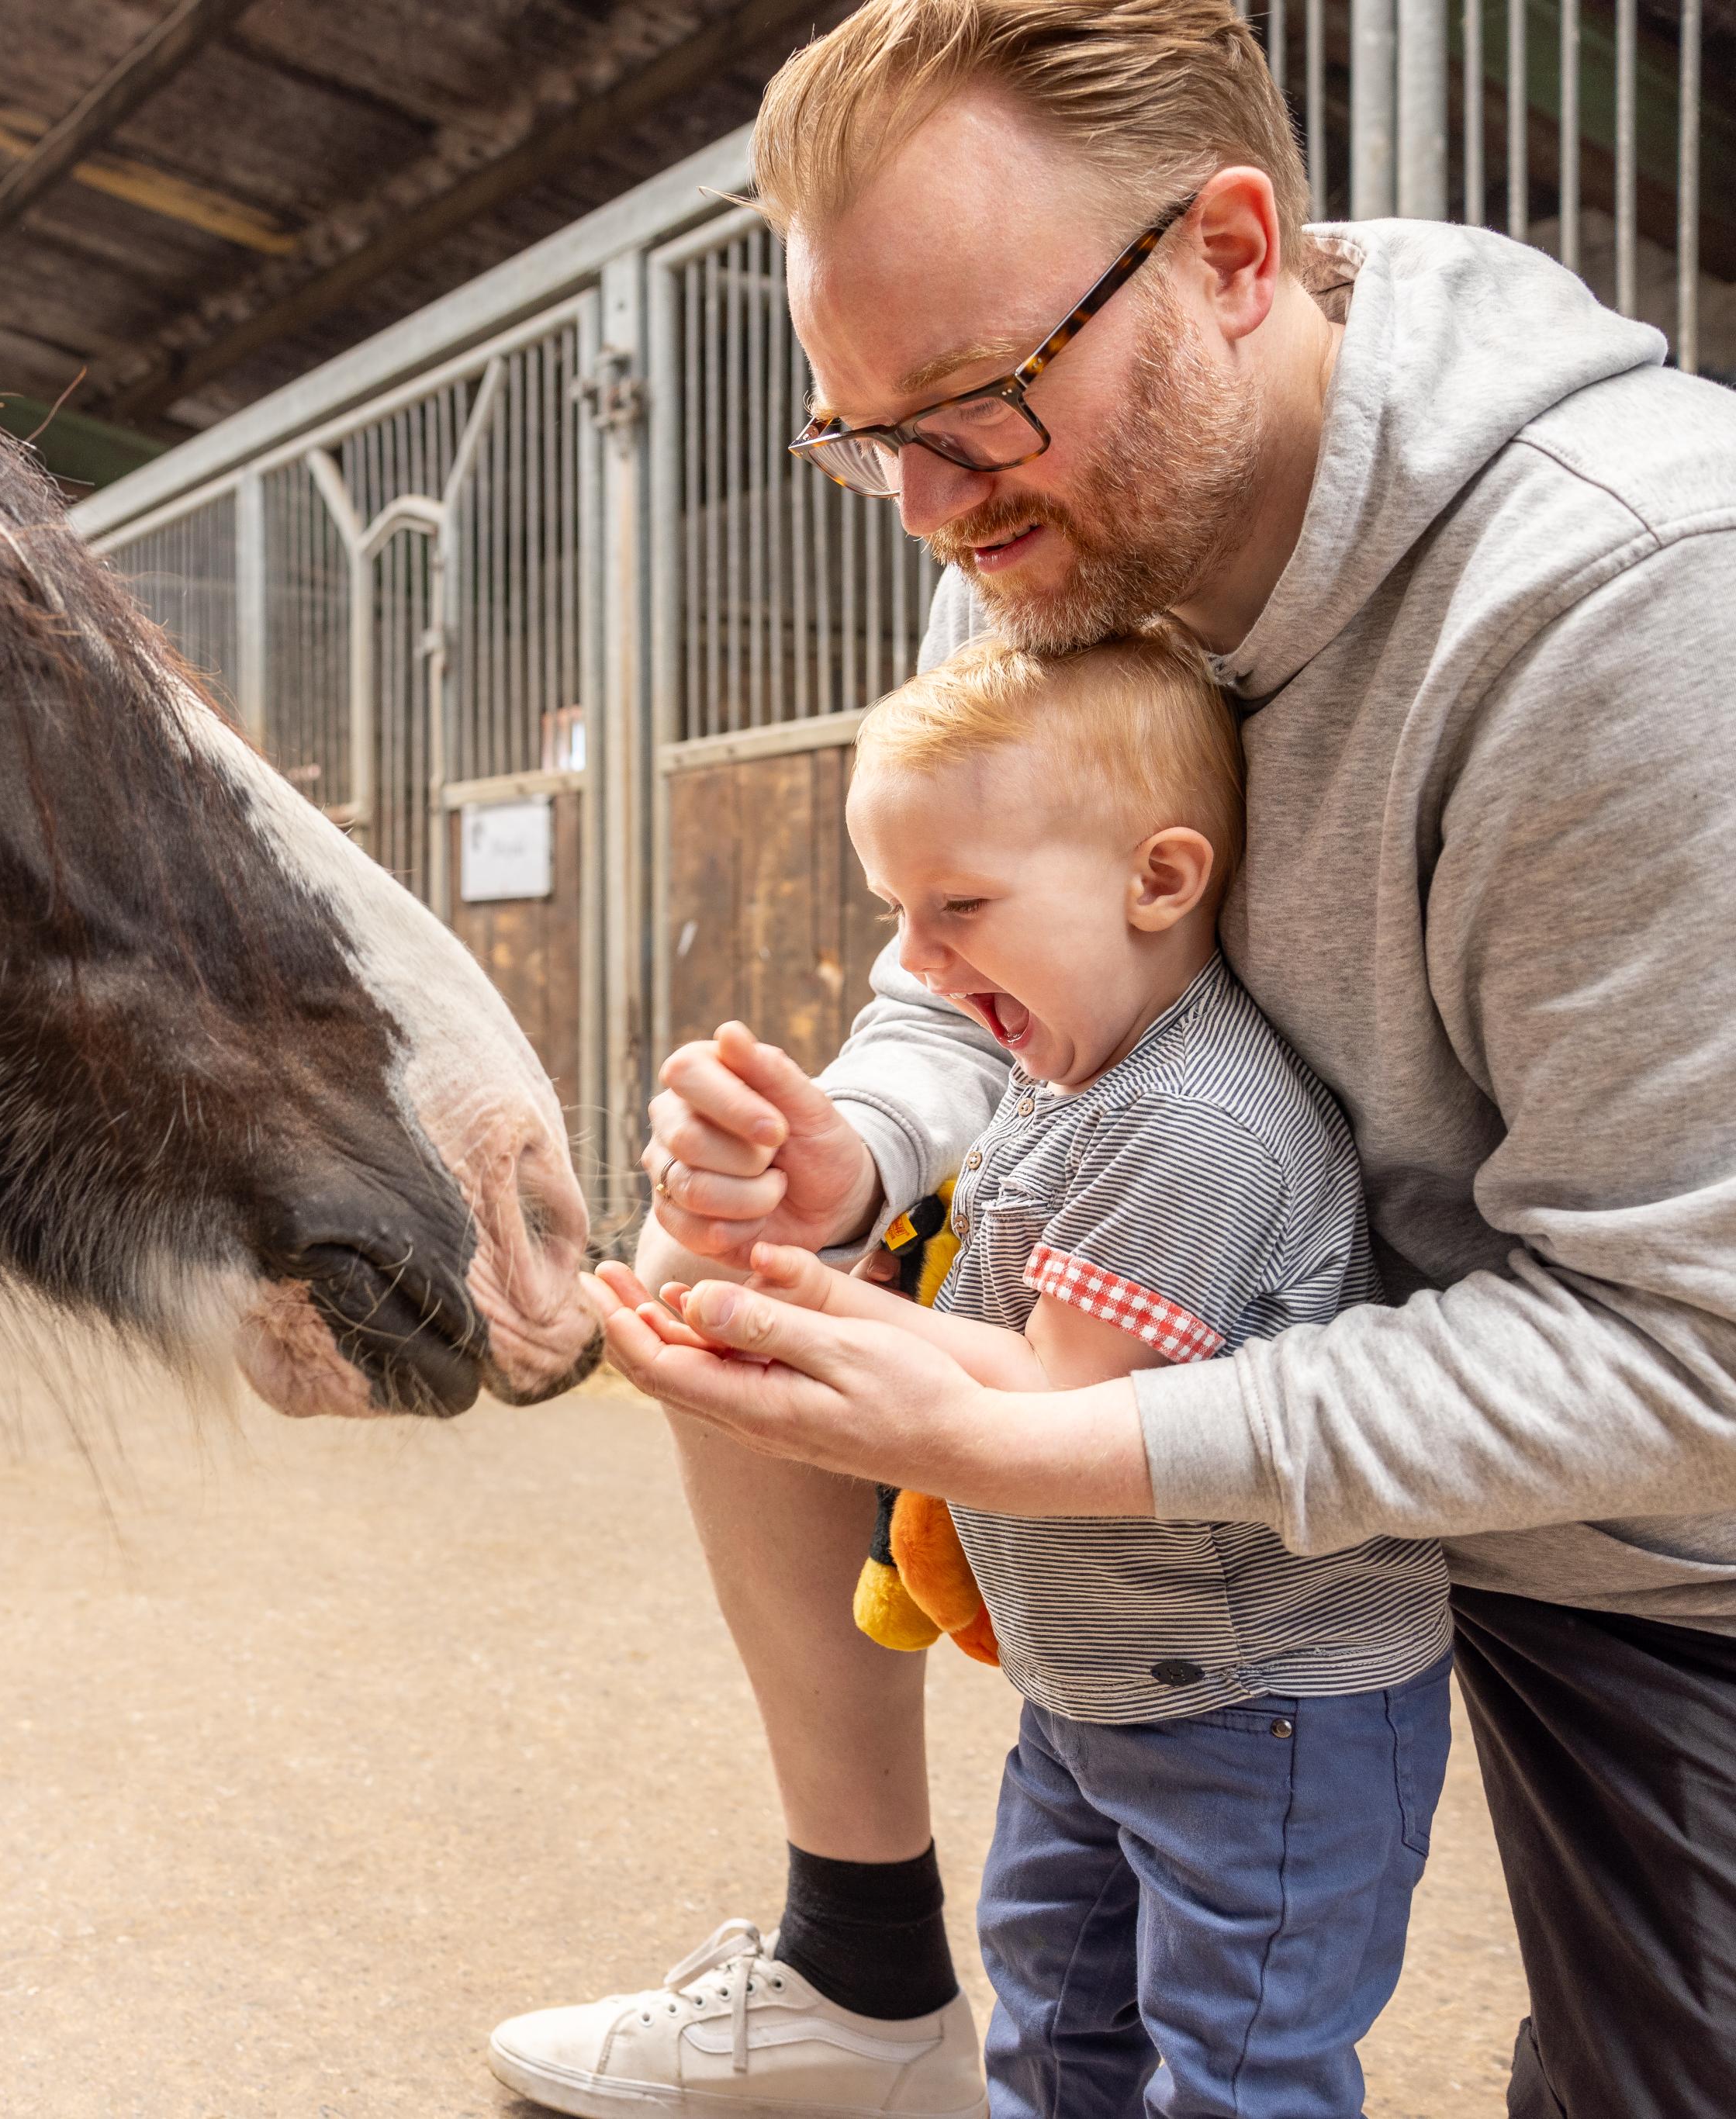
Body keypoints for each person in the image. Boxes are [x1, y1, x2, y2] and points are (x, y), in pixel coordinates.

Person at [488, 3, 1736, 2114]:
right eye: (860, 433)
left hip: (1657, 1535)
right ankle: (862, 1963)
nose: (921, 508)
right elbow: (936, 995)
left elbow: (1689, 1360)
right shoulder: (1032, 529)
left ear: (1233, 254)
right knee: (744, 1267)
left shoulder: (1631, 604)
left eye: (968, 406)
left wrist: (1052, 1443)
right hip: (1237, 1339)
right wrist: (857, 1160)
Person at [505, 627, 1448, 2114]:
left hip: (1264, 1716)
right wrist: (796, 1281)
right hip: (1104, 1685)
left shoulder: (1191, 1125)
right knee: (1056, 2011)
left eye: (959, 907)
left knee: (1240, 2064)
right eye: (897, 910)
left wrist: (796, 1317)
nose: (914, 962)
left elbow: (1055, 1401)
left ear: (1161, 879)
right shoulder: (1067, 1067)